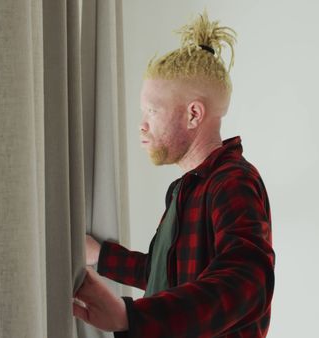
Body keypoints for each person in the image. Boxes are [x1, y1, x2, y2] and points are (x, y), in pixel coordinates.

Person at [72, 11, 274, 338]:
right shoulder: (185, 189)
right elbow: (166, 273)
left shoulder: (233, 182)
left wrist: (129, 315)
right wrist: (101, 255)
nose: (142, 123)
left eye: (152, 111)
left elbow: (247, 284)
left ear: (193, 114)